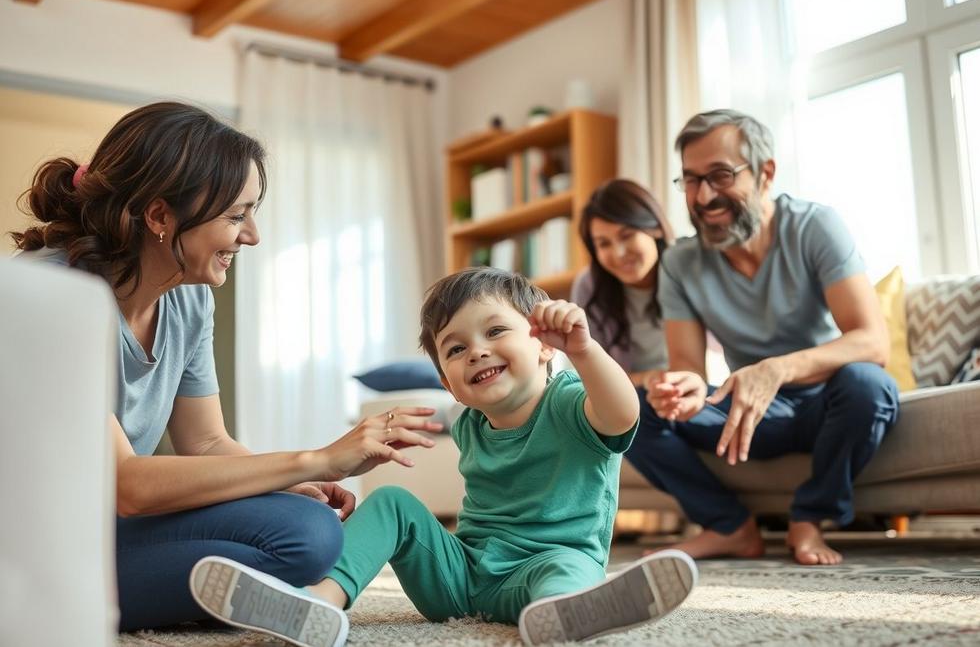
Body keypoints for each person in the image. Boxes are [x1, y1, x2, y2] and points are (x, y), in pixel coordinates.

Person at [11, 101, 441, 638]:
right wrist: (318, 459)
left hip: (106, 526)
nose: (252, 235)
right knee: (288, 540)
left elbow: (208, 443)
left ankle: (202, 592)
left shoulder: (188, 299)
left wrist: (293, 481)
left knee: (311, 531)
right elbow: (127, 485)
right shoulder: (50, 297)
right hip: (34, 542)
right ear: (160, 217)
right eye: (236, 216)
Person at [191, 267, 697, 647]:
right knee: (392, 500)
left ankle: (565, 615)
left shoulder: (571, 401)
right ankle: (319, 604)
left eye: (495, 332)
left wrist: (584, 352)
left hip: (545, 568)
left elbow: (623, 414)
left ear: (544, 346)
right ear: (447, 384)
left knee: (567, 568)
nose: (476, 351)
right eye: (455, 349)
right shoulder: (470, 421)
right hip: (463, 575)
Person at [628, 109, 900, 566]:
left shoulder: (814, 226)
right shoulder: (679, 263)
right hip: (748, 412)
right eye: (691, 180)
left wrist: (776, 370)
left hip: (825, 402)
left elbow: (872, 342)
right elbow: (688, 369)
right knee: (631, 409)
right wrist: (683, 390)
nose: (704, 196)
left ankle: (809, 518)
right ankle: (730, 527)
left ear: (765, 173)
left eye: (720, 175)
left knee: (868, 385)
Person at [571, 178, 676, 389]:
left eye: (627, 235)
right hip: (627, 395)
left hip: (688, 388)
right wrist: (648, 379)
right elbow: (594, 376)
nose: (619, 253)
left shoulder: (684, 270)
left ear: (655, 228)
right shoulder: (589, 288)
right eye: (604, 244)